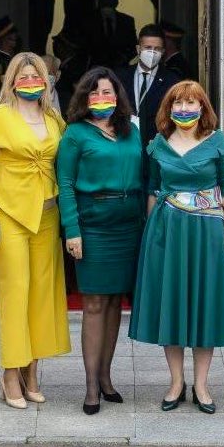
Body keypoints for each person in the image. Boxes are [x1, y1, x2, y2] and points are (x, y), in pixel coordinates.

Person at [129, 80, 224, 415]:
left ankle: (202, 385)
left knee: (204, 305)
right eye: (178, 102)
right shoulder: (158, 146)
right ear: (169, 108)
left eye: (191, 103)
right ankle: (176, 382)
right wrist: (152, 233)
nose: (184, 108)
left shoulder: (218, 143)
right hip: (167, 230)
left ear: (203, 108)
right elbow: (152, 188)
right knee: (173, 303)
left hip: (208, 231)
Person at [0, 52, 71, 410]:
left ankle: (32, 370)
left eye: (38, 76)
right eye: (25, 76)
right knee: (15, 293)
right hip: (10, 214)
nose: (32, 81)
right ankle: (9, 372)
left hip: (47, 215)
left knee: (42, 295)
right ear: (12, 81)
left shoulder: (54, 119)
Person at [57, 67, 144, 415]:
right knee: (93, 305)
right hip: (92, 227)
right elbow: (64, 184)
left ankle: (107, 378)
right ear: (84, 98)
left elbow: (145, 174)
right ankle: (91, 385)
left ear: (118, 97)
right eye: (94, 94)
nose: (101, 99)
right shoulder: (75, 134)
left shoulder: (132, 131)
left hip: (128, 226)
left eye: (107, 93)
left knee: (113, 306)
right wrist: (72, 230)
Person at [115, 24, 181, 147]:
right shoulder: (119, 77)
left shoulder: (172, 82)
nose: (152, 52)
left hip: (156, 149)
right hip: (124, 146)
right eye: (148, 47)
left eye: (157, 49)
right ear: (138, 49)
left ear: (162, 52)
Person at [87, 0, 136, 69]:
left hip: (120, 70)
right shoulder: (89, 22)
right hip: (95, 69)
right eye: (105, 0)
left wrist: (123, 58)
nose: (107, 3)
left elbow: (133, 46)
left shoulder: (127, 21)